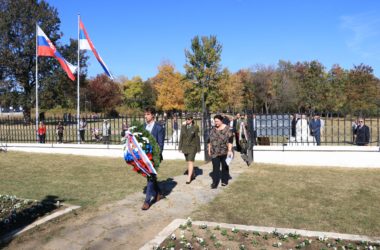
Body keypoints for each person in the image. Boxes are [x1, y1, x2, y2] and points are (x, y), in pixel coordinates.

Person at [142, 107, 165, 210]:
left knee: (150, 177)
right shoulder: (143, 127)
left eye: (147, 114)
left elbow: (160, 145)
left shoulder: (159, 127)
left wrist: (154, 156)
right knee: (150, 176)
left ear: (153, 115)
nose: (145, 116)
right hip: (144, 156)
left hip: (154, 157)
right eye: (145, 114)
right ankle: (159, 193)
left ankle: (147, 201)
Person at [208, 114, 233, 189]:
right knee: (215, 167)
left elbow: (230, 140)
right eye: (215, 121)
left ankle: (224, 180)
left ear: (221, 121)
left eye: (217, 121)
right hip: (214, 152)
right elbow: (209, 140)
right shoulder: (213, 129)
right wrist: (209, 150)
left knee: (225, 166)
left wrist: (229, 150)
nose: (216, 123)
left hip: (224, 151)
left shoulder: (227, 129)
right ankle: (215, 182)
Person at [178, 114, 201, 184]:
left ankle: (189, 177)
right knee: (188, 161)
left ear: (191, 120)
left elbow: (197, 138)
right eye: (186, 119)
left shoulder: (195, 127)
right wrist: (180, 147)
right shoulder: (183, 127)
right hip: (185, 147)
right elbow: (181, 137)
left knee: (190, 161)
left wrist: (198, 148)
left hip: (192, 146)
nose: (187, 120)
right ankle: (193, 174)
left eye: (189, 119)